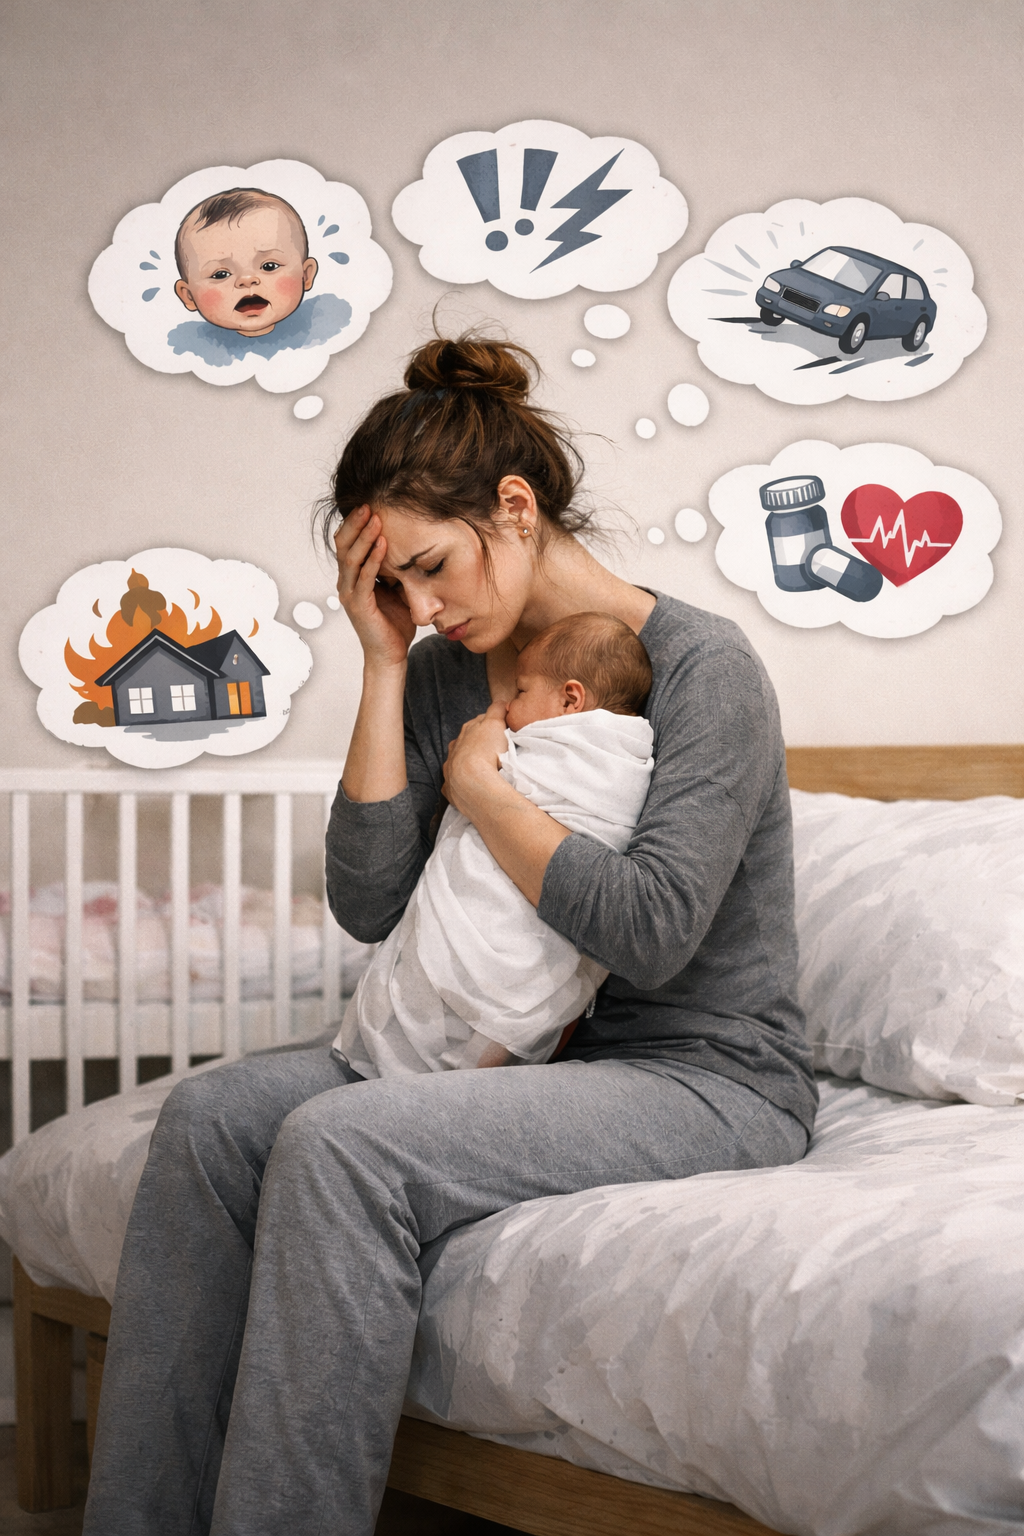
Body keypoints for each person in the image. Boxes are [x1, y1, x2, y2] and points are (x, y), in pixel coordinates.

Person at [84, 334, 817, 1536]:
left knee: (344, 1145)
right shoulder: (439, 671)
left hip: (701, 1071)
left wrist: (484, 794)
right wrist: (381, 666)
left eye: (430, 569)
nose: (424, 609)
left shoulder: (701, 670)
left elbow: (653, 934)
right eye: (395, 589)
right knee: (212, 1119)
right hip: (526, 1056)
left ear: (514, 511)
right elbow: (369, 903)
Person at [338, 610, 655, 1078]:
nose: (507, 708)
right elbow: (366, 909)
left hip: (533, 941)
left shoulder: (595, 757)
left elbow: (601, 831)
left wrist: (478, 768)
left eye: (521, 692)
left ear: (571, 699)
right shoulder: (631, 755)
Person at [173, 187, 318, 336]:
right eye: (221, 274)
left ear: (305, 275)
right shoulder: (185, 346)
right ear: (188, 296)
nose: (247, 280)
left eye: (269, 266)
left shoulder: (320, 326)